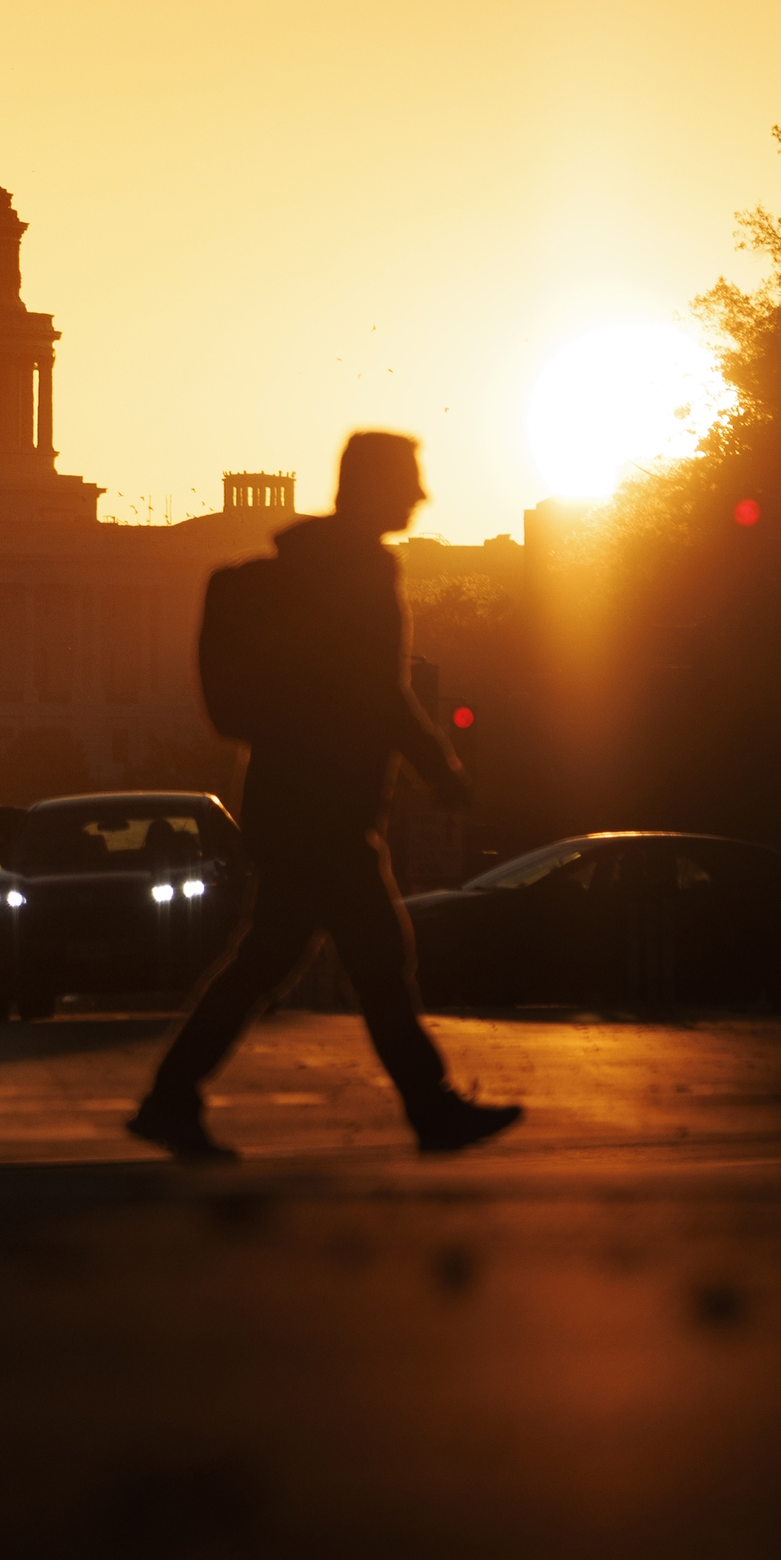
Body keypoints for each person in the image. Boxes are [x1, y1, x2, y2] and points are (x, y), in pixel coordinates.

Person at [129, 431, 523, 1161]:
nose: (421, 495)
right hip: (322, 808)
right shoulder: (357, 571)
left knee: (285, 959)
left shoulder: (315, 565)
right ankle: (427, 1110)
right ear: (371, 486)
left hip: (297, 802)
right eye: (408, 480)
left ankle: (171, 1097)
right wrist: (439, 767)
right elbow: (378, 691)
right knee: (366, 956)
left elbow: (365, 691)